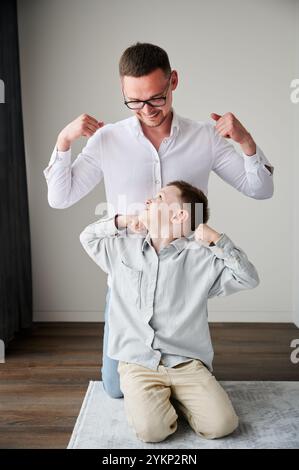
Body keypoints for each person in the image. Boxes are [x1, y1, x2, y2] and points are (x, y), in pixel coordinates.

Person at [43, 42, 273, 399]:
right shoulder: (108, 139)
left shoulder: (204, 137)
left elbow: (260, 190)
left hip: (185, 277)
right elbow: (59, 198)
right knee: (116, 390)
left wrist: (245, 141)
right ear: (123, 92)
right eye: (134, 101)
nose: (146, 110)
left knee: (189, 384)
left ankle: (182, 372)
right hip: (129, 279)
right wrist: (63, 141)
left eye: (155, 98)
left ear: (173, 82)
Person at [79, 180, 259, 443]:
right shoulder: (122, 248)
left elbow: (248, 278)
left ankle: (179, 398)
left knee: (222, 424)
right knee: (153, 432)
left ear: (180, 215)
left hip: (186, 362)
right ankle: (163, 400)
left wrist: (217, 240)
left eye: (160, 197)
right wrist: (123, 221)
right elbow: (87, 237)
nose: (150, 200)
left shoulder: (203, 258)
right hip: (138, 362)